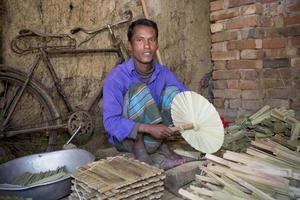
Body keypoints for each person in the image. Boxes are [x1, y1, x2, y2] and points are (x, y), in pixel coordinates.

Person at [102, 18, 188, 170]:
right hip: (127, 141)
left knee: (174, 93)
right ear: (130, 46)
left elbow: (186, 97)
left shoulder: (164, 72)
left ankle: (161, 146)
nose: (147, 46)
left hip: (156, 137)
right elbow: (110, 122)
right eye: (140, 40)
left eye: (151, 40)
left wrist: (199, 116)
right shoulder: (117, 77)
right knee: (138, 89)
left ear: (157, 44)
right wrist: (149, 128)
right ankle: (140, 151)